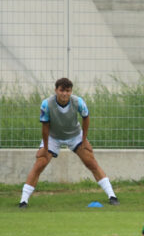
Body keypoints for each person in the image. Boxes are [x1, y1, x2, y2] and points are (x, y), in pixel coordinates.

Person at [19, 78, 119, 208]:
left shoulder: (78, 102)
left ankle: (112, 196)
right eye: (61, 90)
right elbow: (45, 127)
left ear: (71, 91)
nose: (64, 94)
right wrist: (45, 147)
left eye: (68, 91)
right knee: (40, 164)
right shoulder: (46, 104)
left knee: (91, 162)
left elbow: (86, 118)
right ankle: (23, 201)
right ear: (56, 90)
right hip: (53, 137)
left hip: (75, 135)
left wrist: (84, 141)